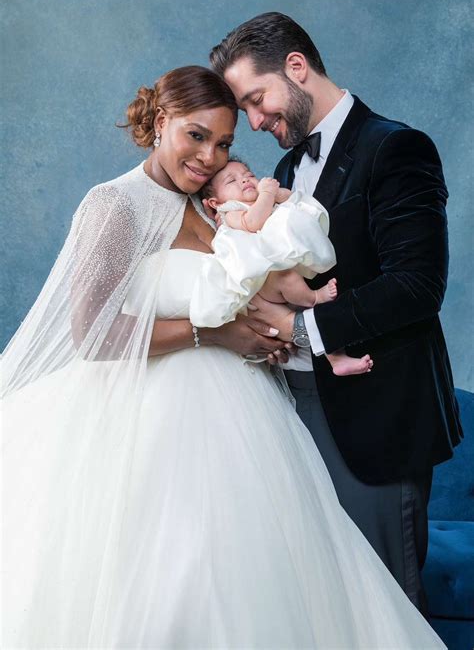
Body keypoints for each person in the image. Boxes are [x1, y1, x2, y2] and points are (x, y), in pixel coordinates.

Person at [2, 65, 444, 648]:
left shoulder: (215, 207)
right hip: (145, 422)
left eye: (225, 142)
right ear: (161, 123)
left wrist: (282, 326)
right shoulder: (114, 206)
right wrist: (214, 335)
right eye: (196, 135)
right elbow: (93, 333)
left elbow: (253, 284)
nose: (210, 156)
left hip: (244, 413)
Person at [210, 12, 463, 614]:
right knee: (322, 604)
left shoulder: (396, 147)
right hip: (292, 416)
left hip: (376, 419)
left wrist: (301, 327)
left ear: (296, 68)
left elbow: (417, 285)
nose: (253, 121)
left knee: (385, 607)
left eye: (257, 99)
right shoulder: (286, 171)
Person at [199, 158, 373, 376]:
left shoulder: (267, 200)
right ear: (215, 203)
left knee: (314, 317)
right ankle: (314, 297)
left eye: (248, 173)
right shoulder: (231, 211)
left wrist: (279, 194)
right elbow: (252, 223)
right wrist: (267, 195)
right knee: (286, 284)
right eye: (232, 180)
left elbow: (297, 204)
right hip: (261, 283)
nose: (244, 179)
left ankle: (336, 358)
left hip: (284, 280)